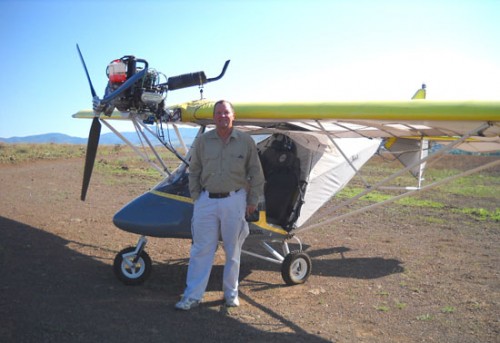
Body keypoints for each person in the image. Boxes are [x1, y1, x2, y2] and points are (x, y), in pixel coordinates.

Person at [175, 100, 265, 311]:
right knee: (201, 249)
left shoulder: (245, 141)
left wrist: (252, 201)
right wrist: (197, 196)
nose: (222, 116)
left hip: (234, 200)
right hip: (206, 200)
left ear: (233, 116)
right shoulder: (204, 141)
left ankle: (231, 294)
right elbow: (194, 169)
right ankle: (192, 296)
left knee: (233, 250)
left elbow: (256, 172)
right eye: (218, 113)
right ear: (214, 117)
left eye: (226, 113)